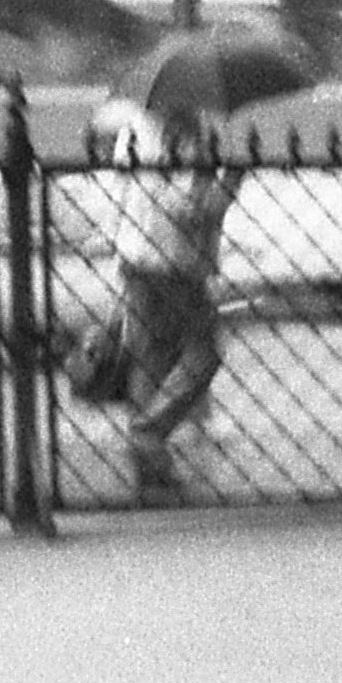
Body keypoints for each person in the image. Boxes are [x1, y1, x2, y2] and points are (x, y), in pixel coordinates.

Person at [95, 96, 242, 504]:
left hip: (134, 254)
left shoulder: (133, 131)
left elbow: (122, 196)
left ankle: (151, 472)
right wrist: (232, 180)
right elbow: (189, 210)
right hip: (175, 262)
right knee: (204, 353)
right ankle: (148, 433)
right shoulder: (183, 136)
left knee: (149, 358)